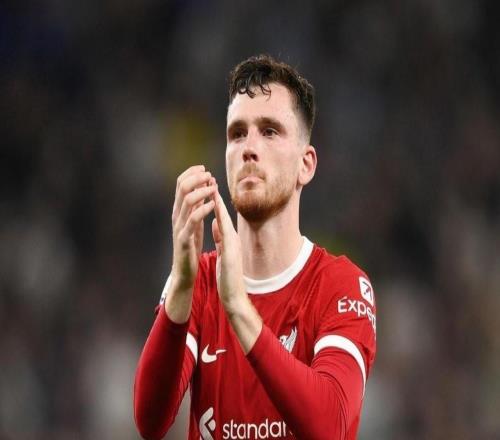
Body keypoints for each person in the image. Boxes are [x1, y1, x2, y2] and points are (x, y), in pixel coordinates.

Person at [134, 54, 377, 440]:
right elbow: (150, 421)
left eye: (269, 131)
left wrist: (238, 308)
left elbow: (330, 426)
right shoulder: (200, 281)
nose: (249, 147)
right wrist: (181, 282)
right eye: (237, 133)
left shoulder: (341, 285)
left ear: (306, 164)